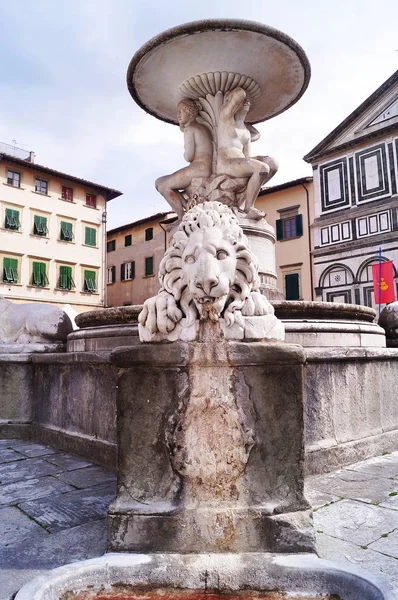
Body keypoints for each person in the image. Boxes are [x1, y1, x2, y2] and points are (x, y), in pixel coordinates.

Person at [217, 87, 278, 219]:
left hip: (240, 163)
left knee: (272, 164)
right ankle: (249, 208)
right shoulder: (225, 119)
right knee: (262, 168)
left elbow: (248, 157)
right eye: (244, 101)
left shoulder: (246, 132)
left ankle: (245, 196)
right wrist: (240, 95)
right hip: (226, 163)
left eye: (248, 101)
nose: (246, 102)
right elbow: (240, 94)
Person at [155, 99, 213, 220]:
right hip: (205, 166)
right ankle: (187, 208)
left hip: (199, 168)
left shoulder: (189, 128)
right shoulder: (202, 127)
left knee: (164, 186)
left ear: (190, 112)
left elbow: (189, 156)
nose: (178, 115)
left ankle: (182, 218)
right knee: (159, 182)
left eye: (181, 111)